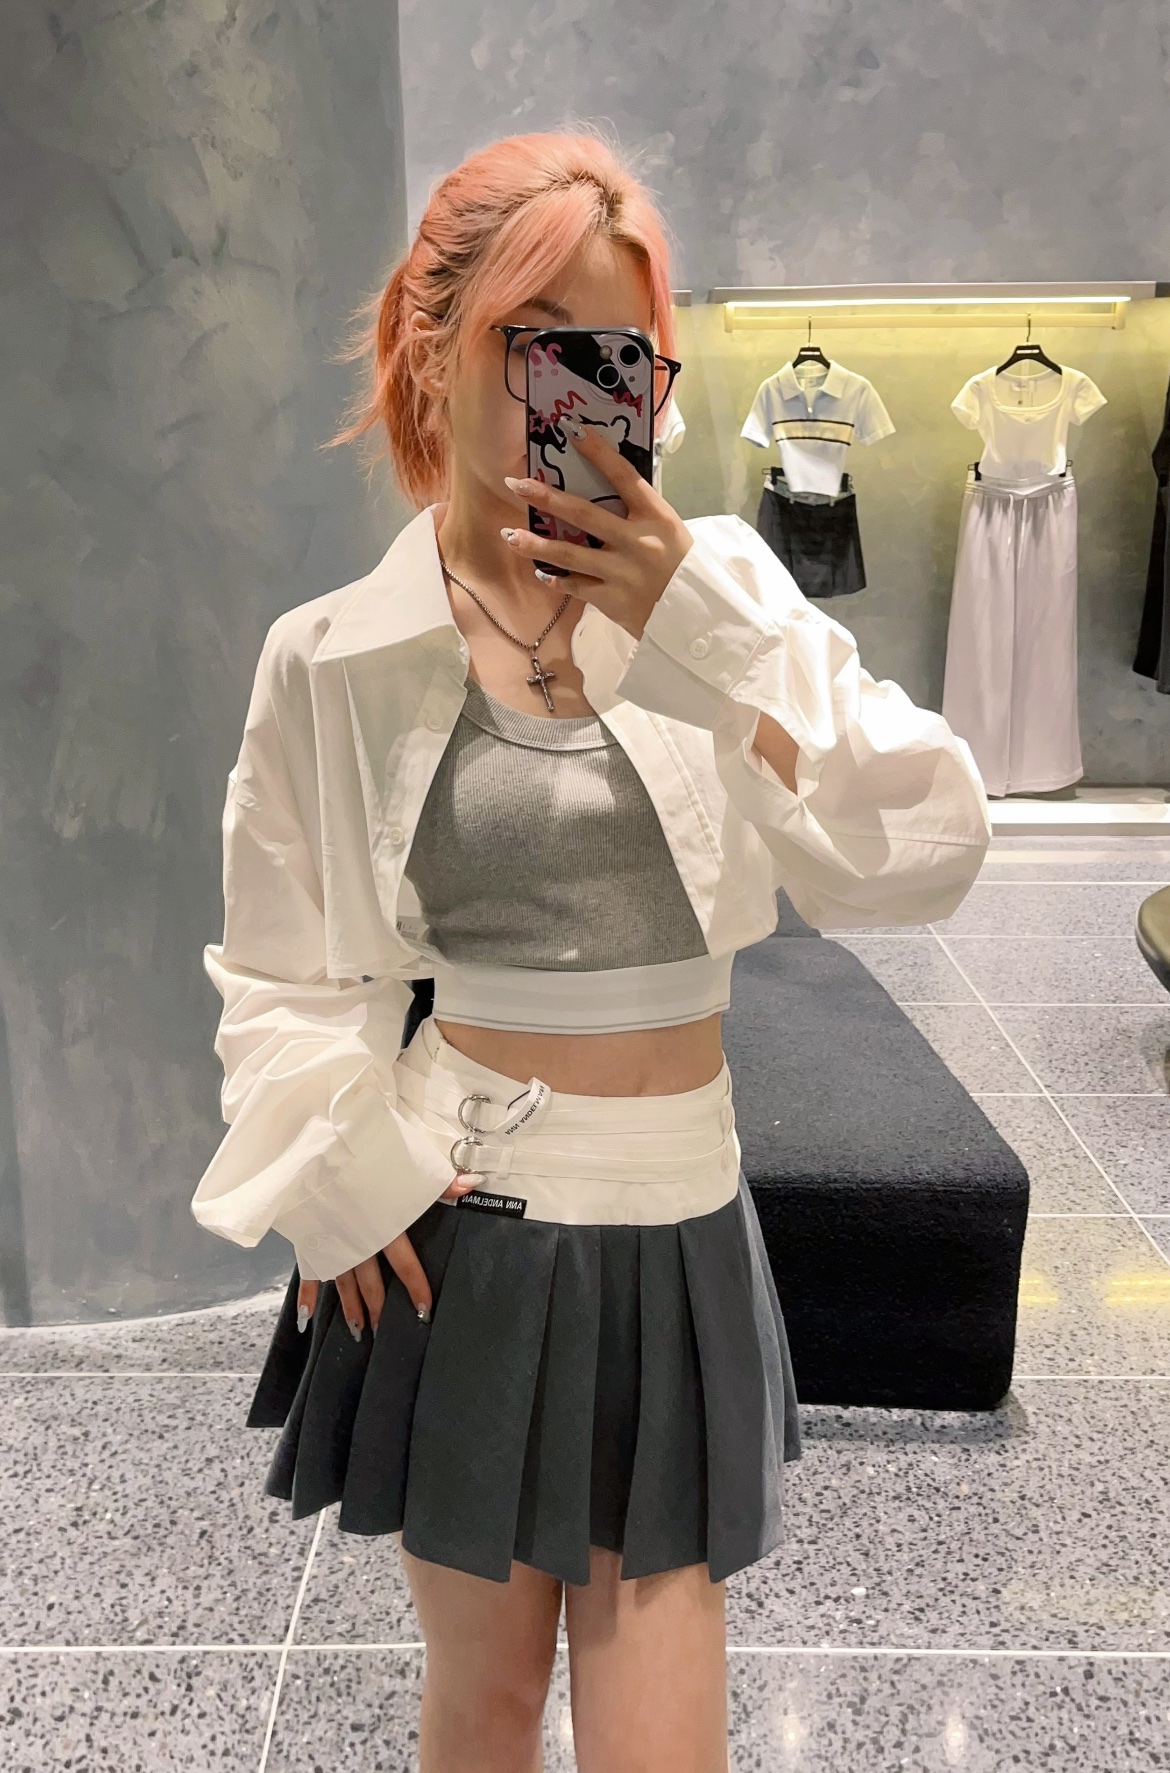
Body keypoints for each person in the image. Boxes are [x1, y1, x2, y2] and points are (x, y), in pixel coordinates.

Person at [191, 128, 991, 1773]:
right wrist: (337, 1177)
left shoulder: (724, 594)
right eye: (532, 338)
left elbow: (926, 848)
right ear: (431, 345)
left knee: (659, 1745)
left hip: (675, 1215)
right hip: (455, 1221)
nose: (576, 389)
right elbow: (284, 969)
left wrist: (703, 625)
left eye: (616, 351)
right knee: (481, 1711)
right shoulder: (331, 655)